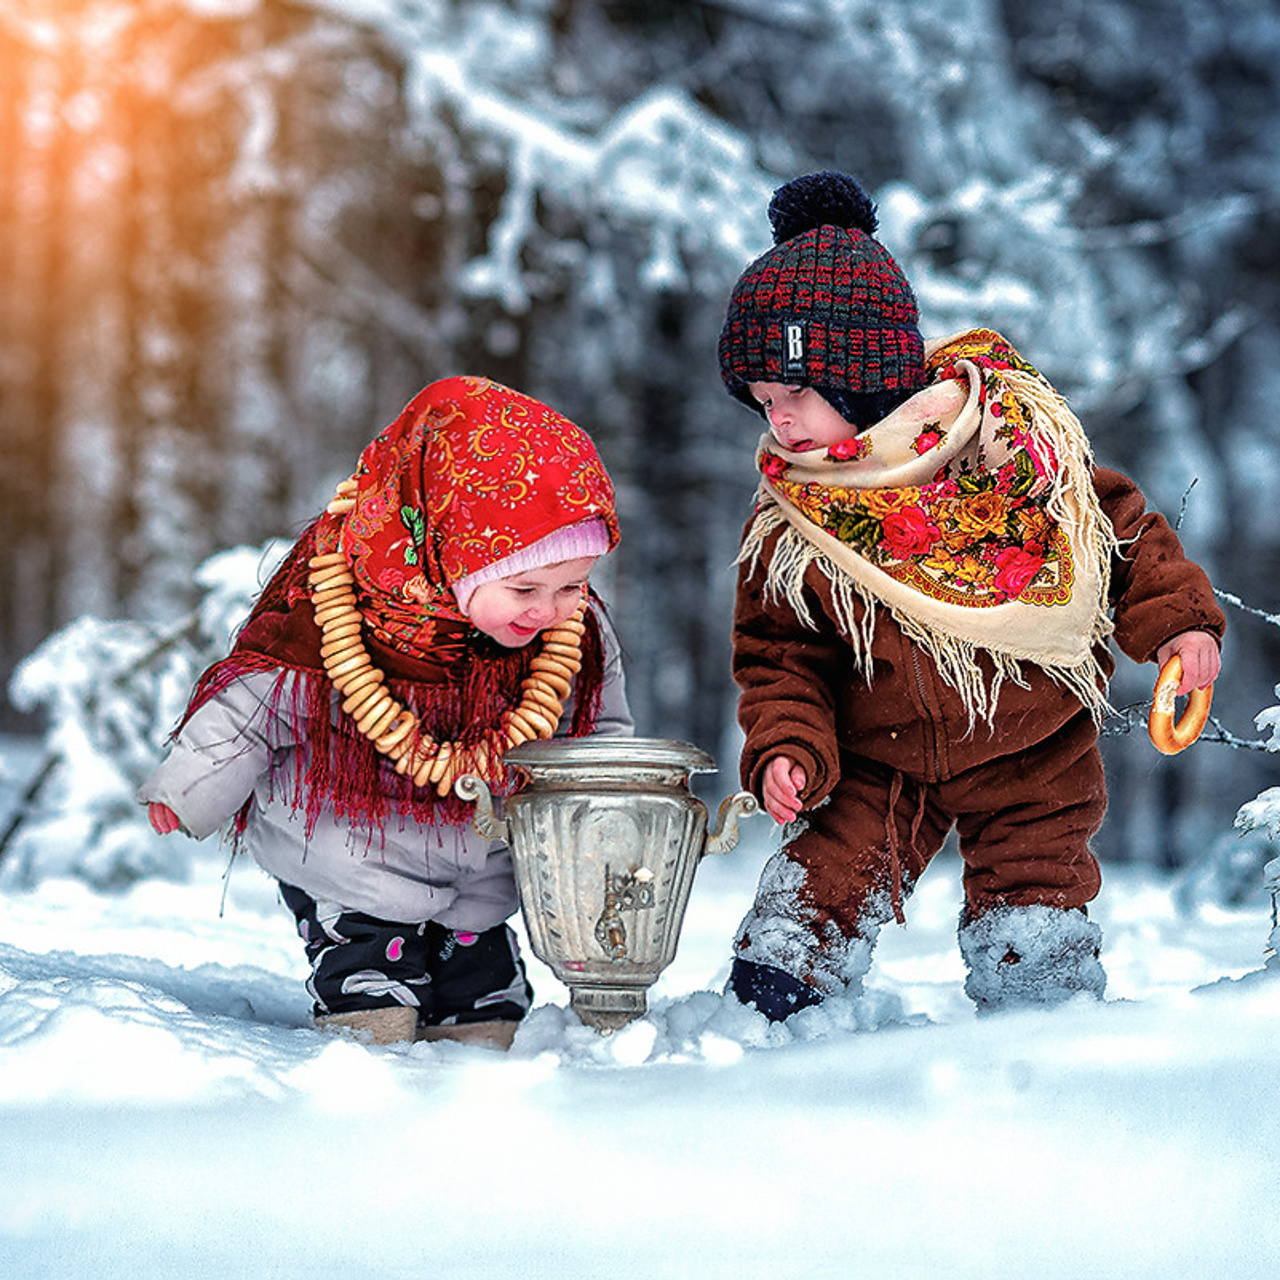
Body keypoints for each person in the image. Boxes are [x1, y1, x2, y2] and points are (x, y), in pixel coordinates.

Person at [716, 172, 1224, 1020]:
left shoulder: (1004, 445)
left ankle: (1040, 1020)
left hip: (1033, 736)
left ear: (858, 373)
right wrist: (789, 746)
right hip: (877, 751)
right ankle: (777, 1002)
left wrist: (1178, 626)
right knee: (812, 903)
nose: (781, 424)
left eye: (796, 393)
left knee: (1036, 909)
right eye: (764, 403)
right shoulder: (795, 517)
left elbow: (1112, 526)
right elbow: (778, 652)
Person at [141, 376, 632, 1048]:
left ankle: (478, 1034)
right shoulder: (339, 606)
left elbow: (598, 731)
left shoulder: (570, 637)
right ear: (454, 551)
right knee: (375, 1000)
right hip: (348, 850)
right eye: (525, 586)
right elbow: (255, 704)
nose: (549, 608)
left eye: (573, 584)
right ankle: (369, 1056)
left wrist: (607, 811)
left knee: (487, 1010)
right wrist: (190, 788)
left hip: (479, 857)